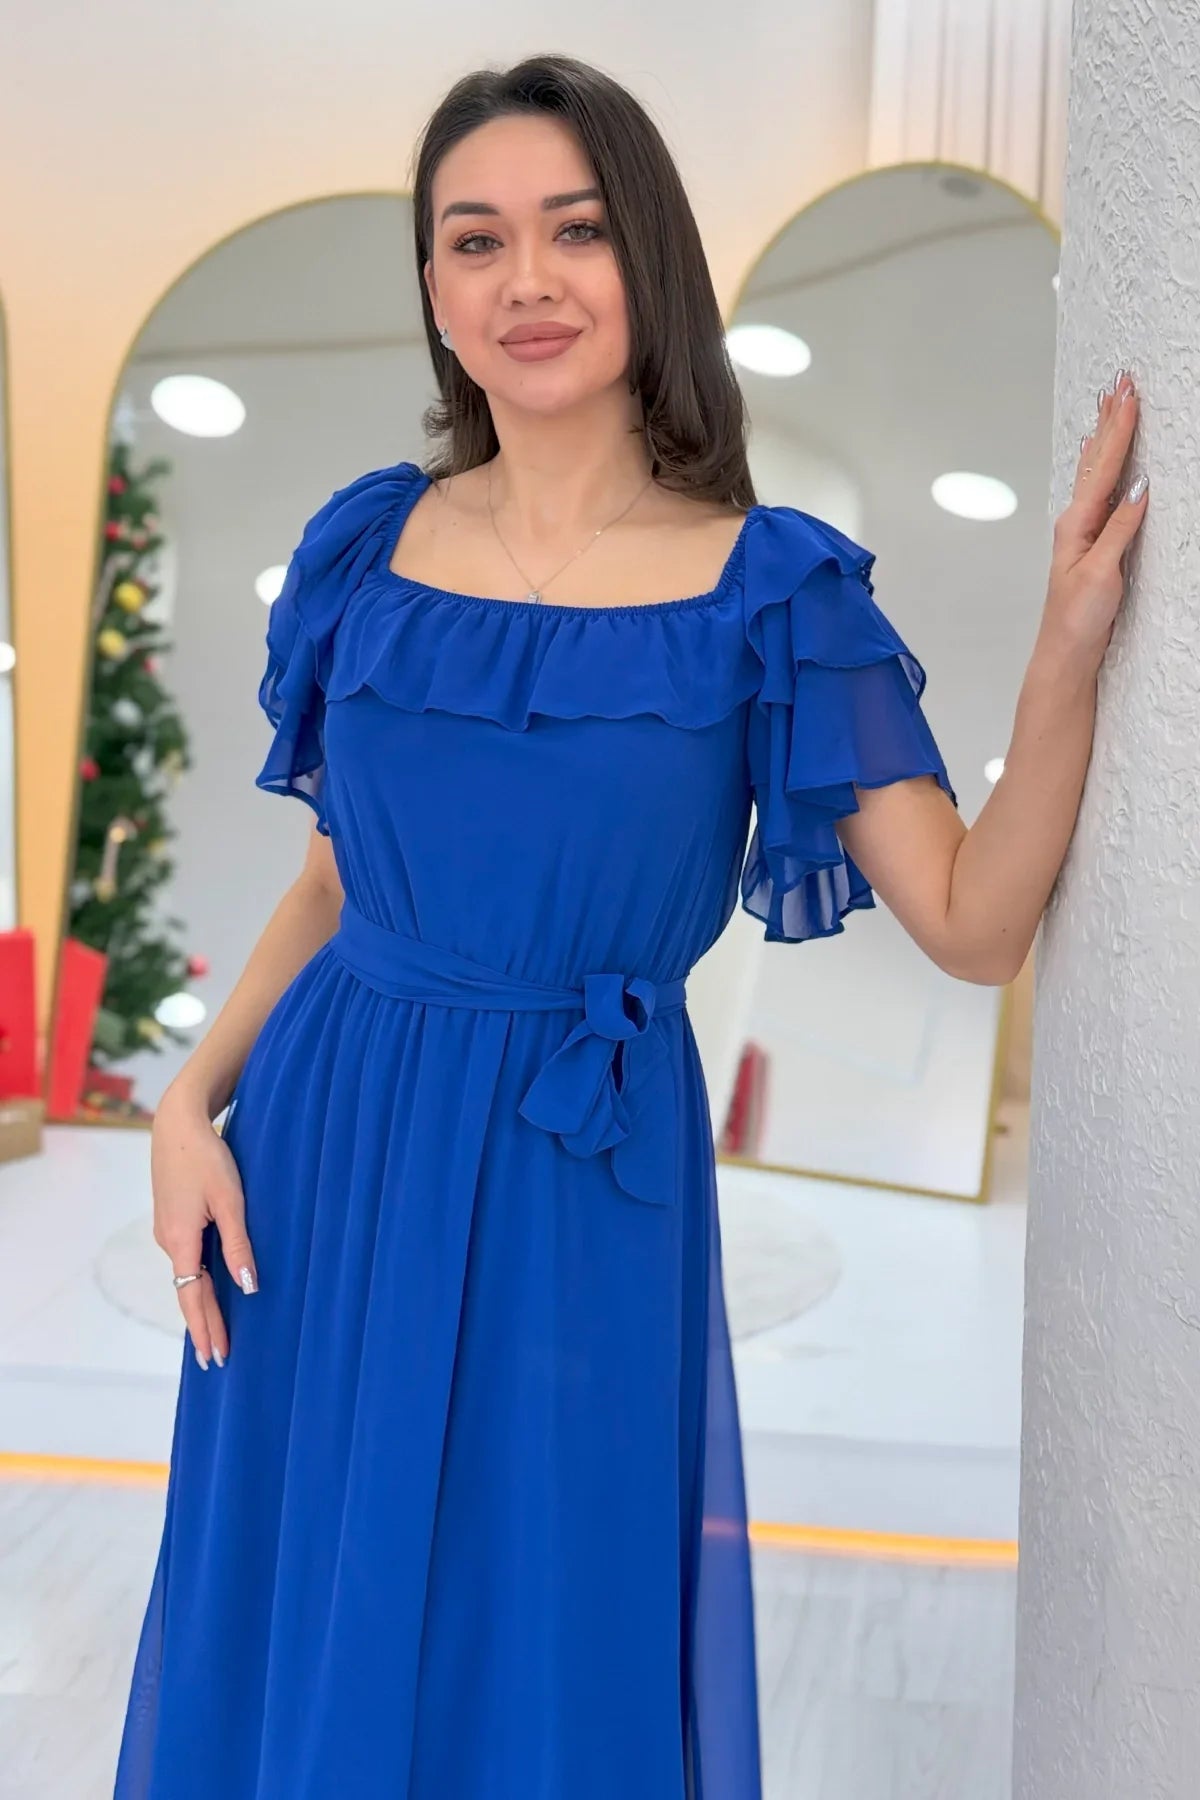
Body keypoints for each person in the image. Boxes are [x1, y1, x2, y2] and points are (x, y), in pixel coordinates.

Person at [113, 48, 1145, 1800]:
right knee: (304, 1604)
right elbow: (332, 881)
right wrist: (187, 1101)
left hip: (581, 1172)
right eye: (476, 240)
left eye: (575, 231)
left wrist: (1063, 647)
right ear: (434, 288)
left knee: (541, 1627)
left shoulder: (773, 590)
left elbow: (975, 921)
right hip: (325, 1153)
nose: (526, 280)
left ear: (645, 256)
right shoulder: (368, 552)